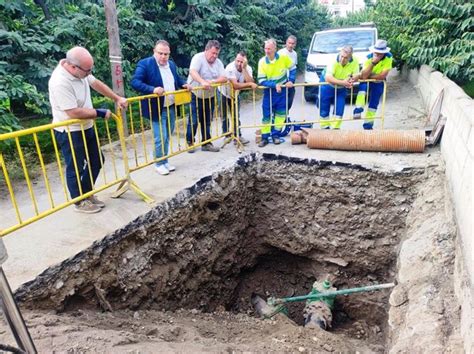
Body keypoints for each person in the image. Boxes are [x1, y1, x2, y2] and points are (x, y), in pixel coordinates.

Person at [49, 46, 127, 214]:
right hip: (69, 131)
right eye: (87, 70)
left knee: (97, 160)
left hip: (86, 126)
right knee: (75, 167)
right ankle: (79, 201)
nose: (89, 73)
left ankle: (87, 193)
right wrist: (99, 112)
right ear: (73, 67)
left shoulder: (81, 72)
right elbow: (72, 112)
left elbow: (96, 83)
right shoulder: (59, 82)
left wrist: (116, 98)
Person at [131, 40, 190, 176]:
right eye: (160, 53)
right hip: (156, 107)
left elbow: (177, 80)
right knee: (160, 136)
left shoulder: (171, 65)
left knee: (168, 134)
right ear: (154, 51)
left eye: (166, 54)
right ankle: (158, 163)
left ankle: (164, 160)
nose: (163, 56)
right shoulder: (145, 64)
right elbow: (135, 82)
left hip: (170, 106)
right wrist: (152, 89)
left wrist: (184, 84)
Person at [186, 40, 227, 152]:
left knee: (207, 120)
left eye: (216, 54)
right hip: (195, 94)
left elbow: (224, 78)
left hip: (210, 96)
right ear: (206, 50)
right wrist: (202, 81)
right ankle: (190, 142)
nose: (214, 56)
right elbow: (193, 72)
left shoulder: (218, 63)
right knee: (193, 120)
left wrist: (212, 82)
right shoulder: (198, 58)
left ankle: (206, 143)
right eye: (212, 53)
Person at [257, 38, 295, 147]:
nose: (267, 51)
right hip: (269, 92)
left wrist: (291, 80)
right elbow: (261, 80)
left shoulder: (283, 58)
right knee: (266, 115)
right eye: (265, 48)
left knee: (281, 114)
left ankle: (275, 135)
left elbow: (292, 68)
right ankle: (264, 137)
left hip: (282, 92)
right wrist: (274, 85)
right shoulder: (262, 62)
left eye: (269, 48)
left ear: (275, 49)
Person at [218, 51, 258, 145]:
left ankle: (237, 136)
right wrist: (248, 84)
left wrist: (244, 69)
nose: (239, 63)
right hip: (224, 92)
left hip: (235, 94)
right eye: (238, 61)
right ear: (235, 59)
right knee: (224, 115)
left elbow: (251, 81)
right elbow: (236, 85)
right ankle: (226, 135)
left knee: (236, 115)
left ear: (245, 62)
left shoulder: (248, 68)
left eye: (241, 62)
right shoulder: (230, 67)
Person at [353, 39, 393, 130]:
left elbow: (383, 75)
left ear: (384, 53)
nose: (377, 55)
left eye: (380, 53)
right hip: (367, 80)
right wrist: (373, 63)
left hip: (378, 82)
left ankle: (368, 125)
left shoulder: (389, 57)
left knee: (374, 104)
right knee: (362, 90)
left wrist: (370, 75)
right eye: (376, 52)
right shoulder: (368, 57)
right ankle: (358, 109)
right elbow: (364, 76)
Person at [319, 46, 360, 129]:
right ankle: (324, 128)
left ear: (350, 57)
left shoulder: (355, 60)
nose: (342, 59)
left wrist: (351, 80)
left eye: (345, 58)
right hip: (327, 85)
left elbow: (356, 74)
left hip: (341, 87)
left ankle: (335, 129)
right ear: (340, 53)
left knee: (339, 108)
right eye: (341, 56)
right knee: (324, 106)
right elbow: (328, 78)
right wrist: (344, 82)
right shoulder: (333, 60)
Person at [277, 35, 298, 111]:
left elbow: (293, 68)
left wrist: (291, 80)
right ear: (286, 43)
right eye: (289, 43)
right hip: (281, 81)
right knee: (281, 102)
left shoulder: (295, 54)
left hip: (290, 82)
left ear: (295, 44)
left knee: (290, 99)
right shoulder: (280, 53)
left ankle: (286, 116)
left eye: (292, 43)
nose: (290, 45)